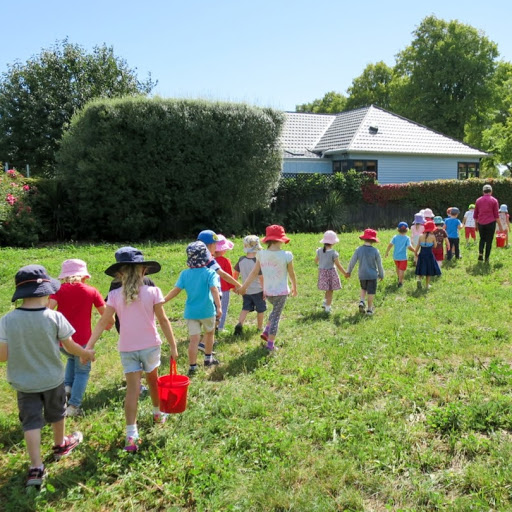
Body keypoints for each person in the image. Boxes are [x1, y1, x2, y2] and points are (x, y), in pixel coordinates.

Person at [0, 265, 95, 486]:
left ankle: (35, 467)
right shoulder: (54, 317)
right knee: (57, 412)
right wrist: (86, 353)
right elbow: (71, 347)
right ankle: (61, 445)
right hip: (52, 379)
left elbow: (3, 356)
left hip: (24, 382)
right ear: (46, 292)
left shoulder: (7, 320)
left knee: (31, 422)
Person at [86, 247, 178, 453]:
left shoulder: (114, 294)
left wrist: (89, 346)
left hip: (127, 348)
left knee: (132, 390)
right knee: (153, 382)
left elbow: (103, 322)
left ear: (119, 274)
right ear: (143, 271)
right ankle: (157, 413)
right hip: (150, 346)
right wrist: (173, 345)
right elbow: (163, 320)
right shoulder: (153, 291)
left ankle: (131, 434)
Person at [48, 259, 107, 417]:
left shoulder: (58, 291)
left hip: (63, 342)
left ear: (64, 277)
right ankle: (74, 406)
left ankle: (67, 389)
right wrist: (109, 324)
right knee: (82, 371)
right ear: (84, 276)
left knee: (71, 359)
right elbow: (106, 315)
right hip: (83, 343)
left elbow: (48, 310)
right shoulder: (91, 291)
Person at [165, 241, 221, 376]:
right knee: (209, 334)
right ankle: (208, 359)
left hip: (191, 312)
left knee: (194, 340)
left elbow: (176, 290)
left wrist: (163, 300)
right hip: (207, 310)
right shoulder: (210, 273)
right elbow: (214, 289)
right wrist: (219, 307)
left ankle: (192, 367)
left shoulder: (185, 274)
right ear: (206, 257)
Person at [239, 225, 298, 351]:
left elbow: (254, 273)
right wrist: (294, 287)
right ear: (281, 239)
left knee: (274, 312)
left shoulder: (261, 254)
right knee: (276, 316)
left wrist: (244, 287)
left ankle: (266, 331)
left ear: (268, 240)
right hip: (281, 292)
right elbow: (292, 273)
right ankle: (270, 345)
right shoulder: (287, 255)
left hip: (268, 292)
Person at [196, 230, 241, 350]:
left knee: (205, 316)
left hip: (200, 292)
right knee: (216, 316)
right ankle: (204, 342)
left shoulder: (195, 260)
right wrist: (237, 284)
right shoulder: (210, 260)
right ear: (210, 245)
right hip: (213, 292)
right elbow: (223, 275)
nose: (216, 248)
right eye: (215, 245)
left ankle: (203, 339)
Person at [233, 235, 266, 335]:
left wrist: (236, 285)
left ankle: (239, 323)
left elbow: (236, 273)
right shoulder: (257, 262)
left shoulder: (241, 260)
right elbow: (261, 278)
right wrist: (265, 290)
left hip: (245, 290)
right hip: (258, 291)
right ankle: (260, 327)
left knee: (245, 308)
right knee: (260, 310)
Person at [346, 228, 384, 316]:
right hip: (372, 275)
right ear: (373, 241)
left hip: (362, 274)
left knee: (363, 288)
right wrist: (381, 274)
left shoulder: (358, 249)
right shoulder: (375, 251)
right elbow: (379, 264)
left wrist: (349, 271)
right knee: (371, 292)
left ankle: (362, 301)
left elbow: (353, 261)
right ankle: (370, 309)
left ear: (364, 238)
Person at [315, 230, 348, 312]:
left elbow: (316, 261)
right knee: (330, 291)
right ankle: (327, 308)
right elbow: (338, 265)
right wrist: (345, 273)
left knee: (327, 289)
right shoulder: (333, 253)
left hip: (322, 273)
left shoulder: (319, 251)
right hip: (330, 273)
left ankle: (325, 302)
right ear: (333, 242)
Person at [474, 184, 503, 263]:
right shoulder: (494, 200)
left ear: (483, 191)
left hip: (481, 222)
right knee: (489, 241)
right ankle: (486, 258)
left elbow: (475, 214)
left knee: (482, 239)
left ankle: (480, 254)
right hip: (491, 223)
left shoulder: (478, 200)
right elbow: (496, 215)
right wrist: (500, 226)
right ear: (491, 191)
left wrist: (475, 225)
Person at [214, 235, 235, 331]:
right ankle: (220, 327)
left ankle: (212, 327)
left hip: (212, 289)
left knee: (213, 308)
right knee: (223, 308)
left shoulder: (209, 261)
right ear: (222, 250)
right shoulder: (226, 261)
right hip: (224, 288)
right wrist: (233, 286)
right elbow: (229, 275)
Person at [385, 222, 415, 287]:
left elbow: (390, 245)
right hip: (403, 257)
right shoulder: (407, 238)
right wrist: (415, 251)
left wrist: (387, 252)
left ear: (398, 229)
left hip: (395, 256)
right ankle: (400, 282)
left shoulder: (395, 237)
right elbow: (409, 247)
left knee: (397, 267)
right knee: (402, 269)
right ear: (407, 229)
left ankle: (399, 277)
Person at [415, 221, 441, 289]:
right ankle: (427, 285)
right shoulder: (432, 237)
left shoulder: (421, 236)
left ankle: (419, 280)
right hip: (429, 255)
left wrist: (415, 253)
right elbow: (435, 246)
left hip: (422, 254)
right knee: (428, 270)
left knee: (421, 268)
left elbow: (417, 246)